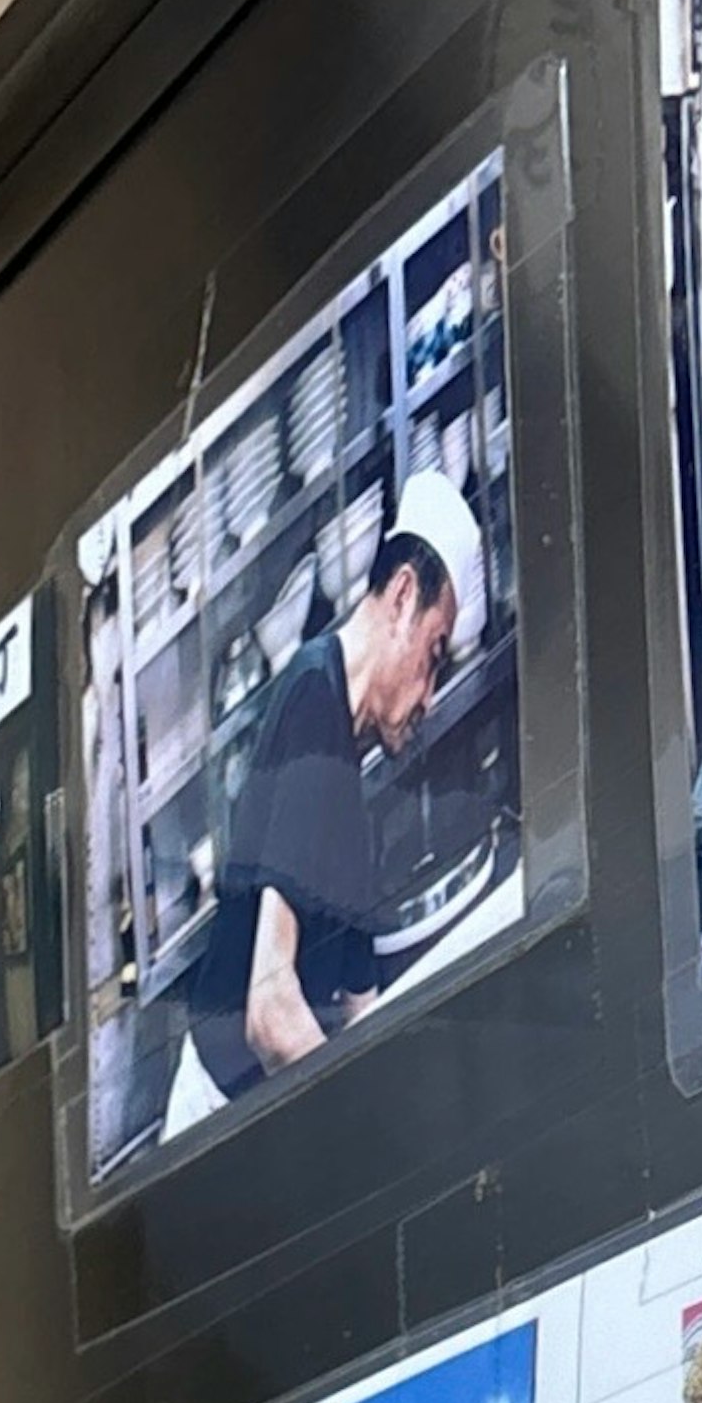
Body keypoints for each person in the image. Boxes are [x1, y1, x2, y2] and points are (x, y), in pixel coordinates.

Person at [166, 471, 485, 1133]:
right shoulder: (313, 702)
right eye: (433, 655)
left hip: (258, 1111)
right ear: (402, 595)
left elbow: (359, 1003)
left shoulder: (342, 747)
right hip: (221, 1128)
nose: (429, 696)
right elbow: (269, 1009)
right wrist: (368, 1129)